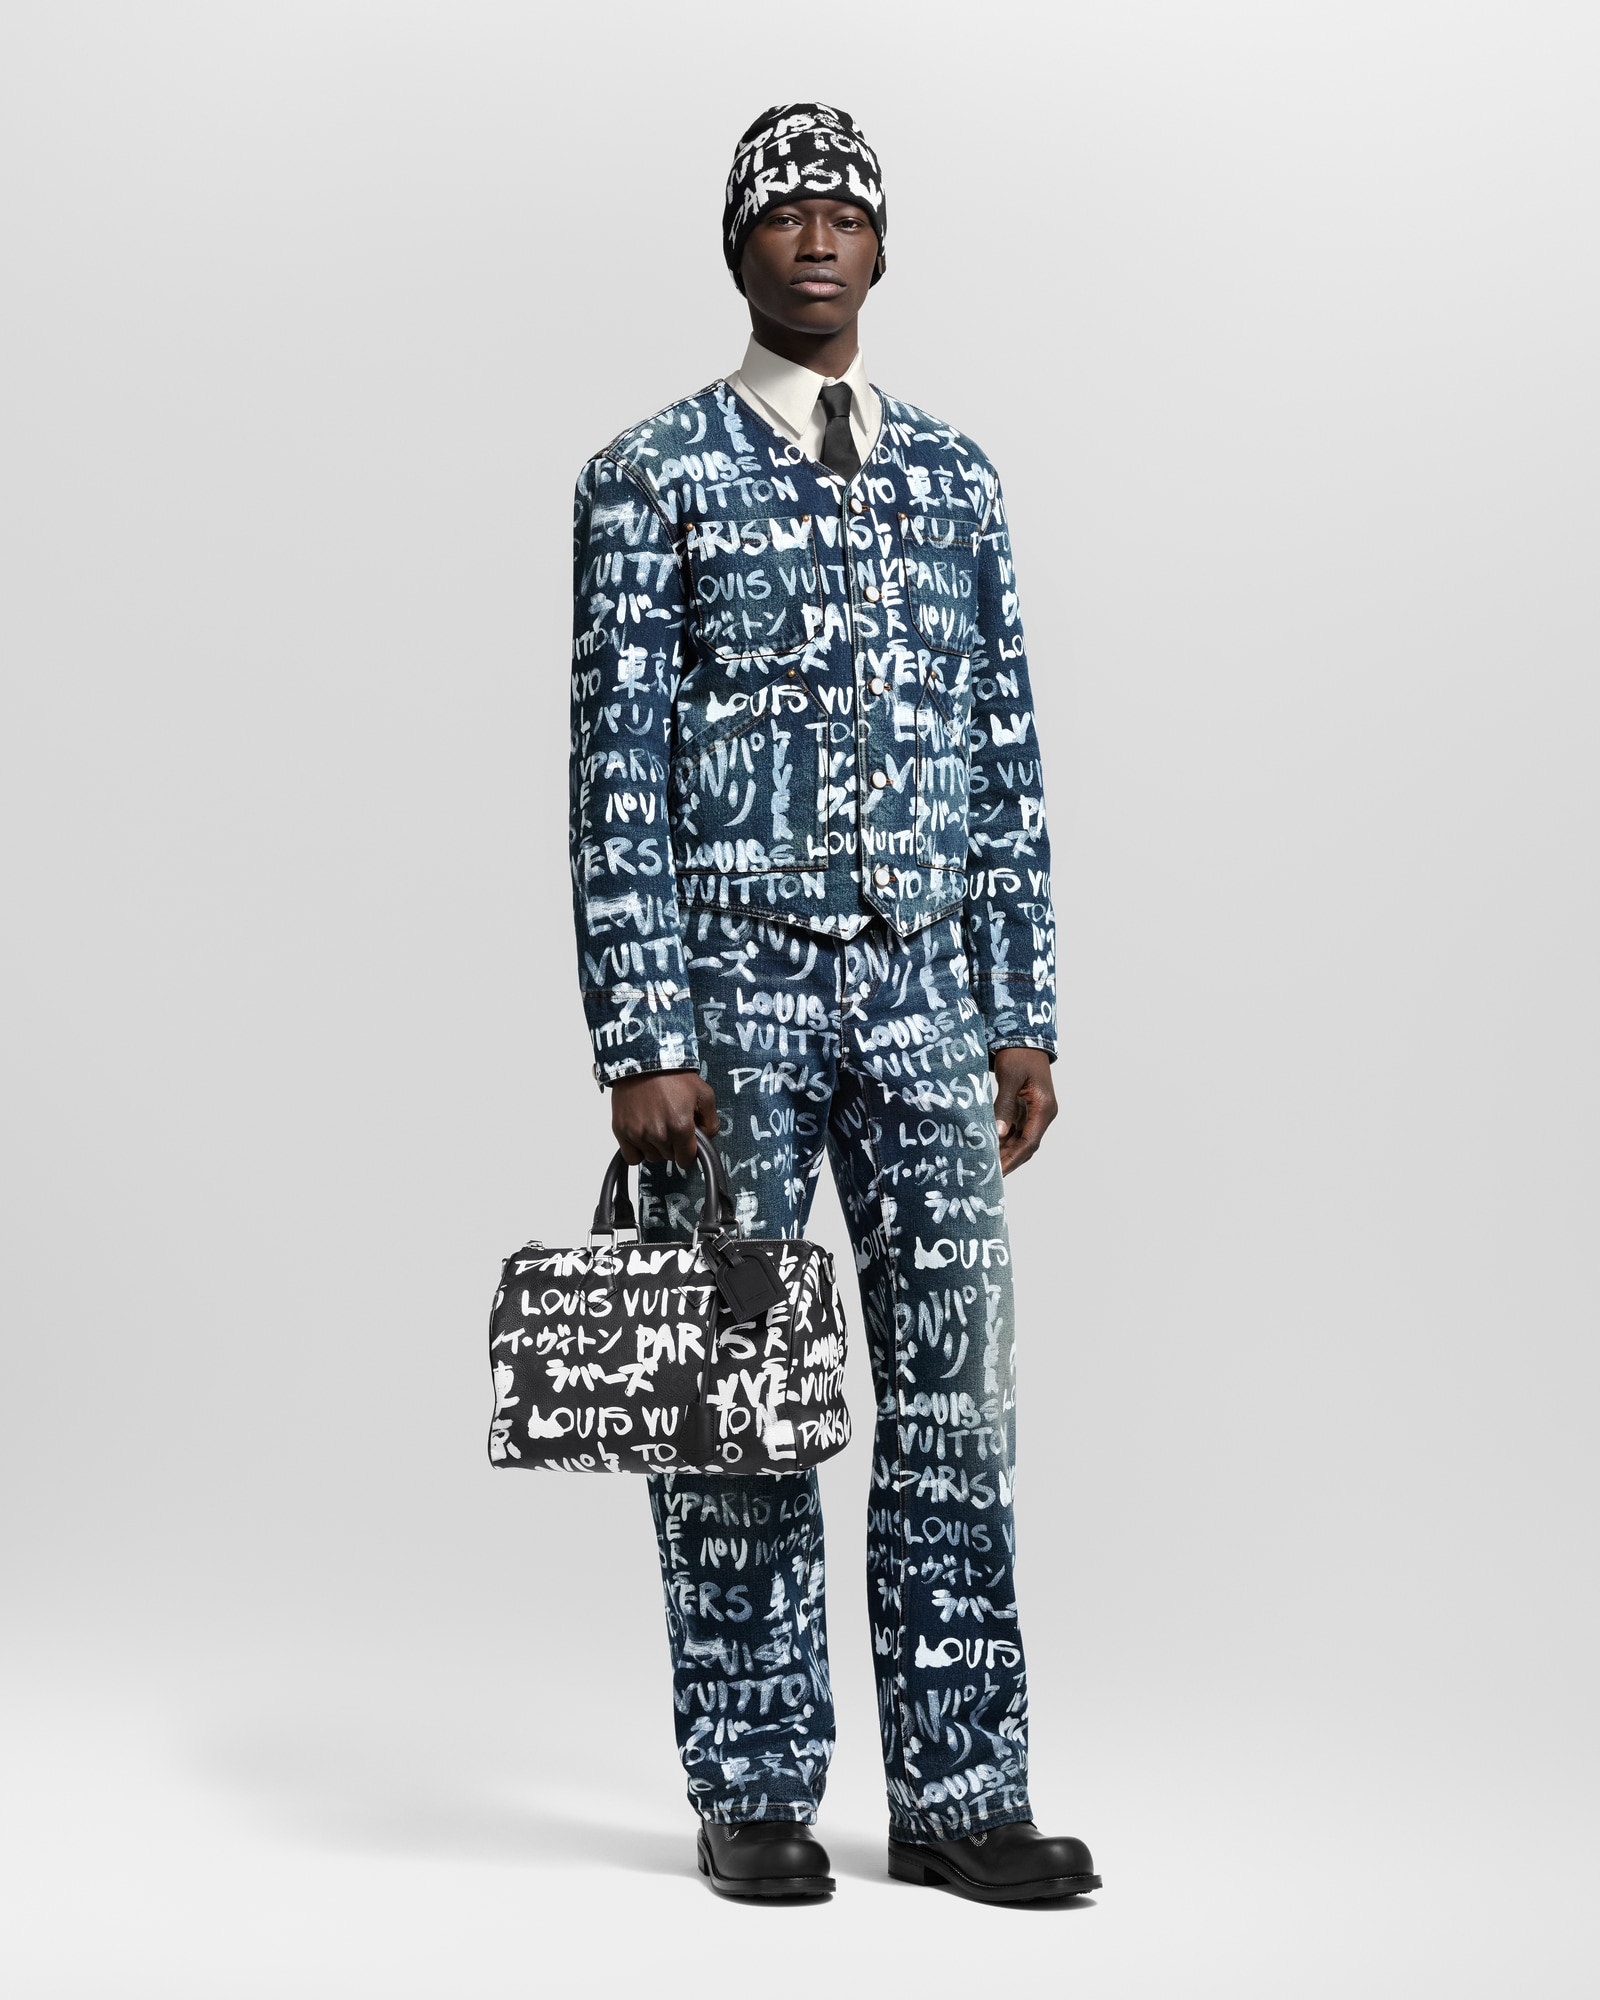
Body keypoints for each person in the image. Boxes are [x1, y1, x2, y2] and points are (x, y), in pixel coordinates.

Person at [567, 103, 1101, 1906]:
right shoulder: (649, 475)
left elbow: (1006, 755)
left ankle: (960, 1793)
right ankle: (753, 1790)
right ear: (736, 248)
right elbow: (615, 767)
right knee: (737, 1406)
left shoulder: (957, 478)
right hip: (732, 1010)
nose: (816, 237)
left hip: (930, 1002)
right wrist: (642, 1030)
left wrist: (1021, 1010)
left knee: (957, 1403)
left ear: (882, 249)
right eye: (783, 211)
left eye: (845, 212)